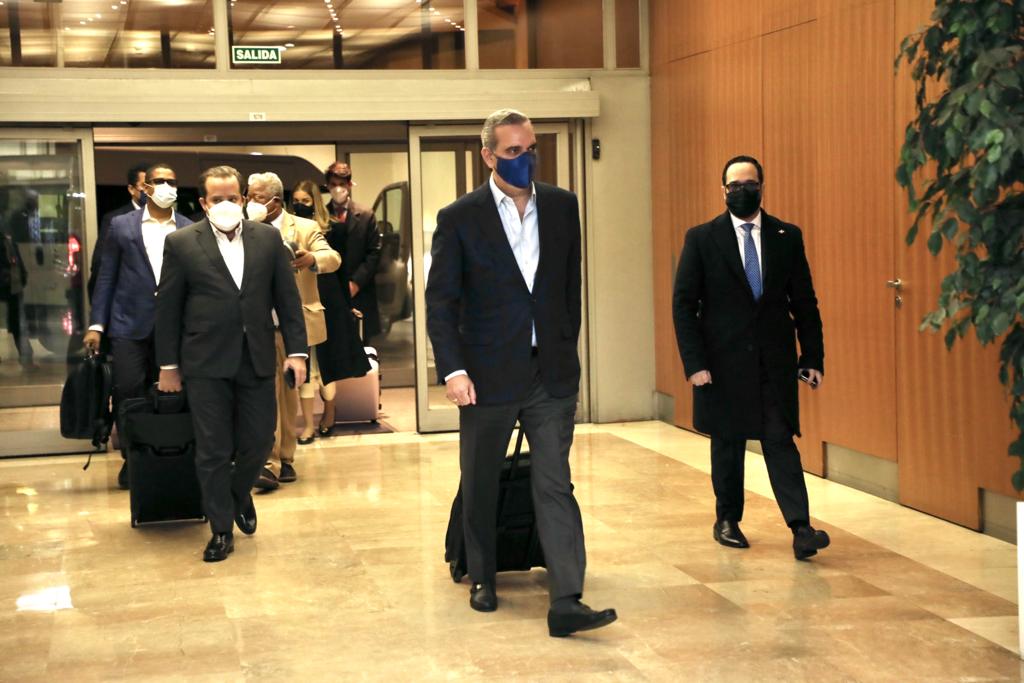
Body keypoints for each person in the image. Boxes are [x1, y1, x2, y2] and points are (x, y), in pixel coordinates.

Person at [425, 109, 617, 638]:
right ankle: (483, 576)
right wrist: (454, 370)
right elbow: (441, 303)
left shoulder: (562, 206)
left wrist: (565, 351)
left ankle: (567, 598)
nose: (525, 159)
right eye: (513, 152)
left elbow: (569, 288)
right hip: (485, 375)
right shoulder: (459, 217)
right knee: (481, 478)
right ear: (488, 156)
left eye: (530, 149)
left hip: (549, 375)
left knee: (554, 482)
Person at [672, 155, 830, 561]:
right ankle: (727, 520)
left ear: (762, 186)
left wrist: (812, 356)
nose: (742, 190)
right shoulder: (702, 238)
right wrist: (695, 364)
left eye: (750, 184)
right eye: (734, 185)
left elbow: (804, 301)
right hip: (721, 365)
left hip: (773, 362)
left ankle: (801, 528)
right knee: (728, 444)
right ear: (723, 190)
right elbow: (684, 305)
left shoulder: (786, 236)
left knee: (780, 440)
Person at [155, 165, 307, 563]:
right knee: (213, 449)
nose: (226, 204)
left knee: (259, 441)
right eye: (217, 198)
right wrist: (168, 365)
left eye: (232, 197)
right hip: (204, 362)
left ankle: (237, 495)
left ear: (244, 199)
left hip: (256, 357)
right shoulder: (181, 243)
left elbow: (287, 300)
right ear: (203, 202)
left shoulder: (267, 239)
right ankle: (221, 529)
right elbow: (168, 309)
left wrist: (297, 352)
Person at [83, 163, 192, 489]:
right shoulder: (121, 226)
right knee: (129, 392)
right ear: (145, 187)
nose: (167, 186)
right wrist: (97, 325)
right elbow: (106, 276)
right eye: (159, 181)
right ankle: (132, 459)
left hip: (173, 326)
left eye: (172, 181)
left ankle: (168, 454)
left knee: (171, 394)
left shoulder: (188, 227)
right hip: (127, 324)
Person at [245, 172, 340, 491]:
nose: (250, 202)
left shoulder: (304, 227)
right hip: (253, 325)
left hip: (291, 326)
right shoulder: (242, 228)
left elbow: (332, 258)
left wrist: (311, 259)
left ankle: (283, 458)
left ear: (274, 200)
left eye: (257, 197)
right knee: (264, 394)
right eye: (248, 196)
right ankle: (269, 461)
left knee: (287, 395)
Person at [291, 180, 369, 440]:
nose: (300, 205)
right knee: (305, 363)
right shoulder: (290, 229)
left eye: (305, 201)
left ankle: (329, 411)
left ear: (315, 201)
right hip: (302, 298)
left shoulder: (334, 229)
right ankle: (307, 425)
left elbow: (341, 268)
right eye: (296, 201)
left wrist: (348, 305)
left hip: (330, 300)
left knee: (328, 362)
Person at [324, 162, 382, 344]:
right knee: (334, 344)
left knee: (362, 344)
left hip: (360, 290)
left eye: (342, 184)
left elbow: (374, 253)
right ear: (327, 186)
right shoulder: (321, 215)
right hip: (331, 290)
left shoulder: (366, 215)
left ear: (349, 185)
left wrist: (356, 282)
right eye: (333, 184)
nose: (338, 189)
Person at [89, 164, 148, 300]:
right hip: (126, 298)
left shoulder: (171, 219)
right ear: (131, 189)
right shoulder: (115, 219)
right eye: (145, 186)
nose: (150, 190)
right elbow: (100, 263)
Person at [0, 227, 29, 366]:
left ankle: (25, 356)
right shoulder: (8, 242)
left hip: (11, 285)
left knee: (16, 322)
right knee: (16, 322)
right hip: (11, 286)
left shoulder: (8, 242)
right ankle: (25, 356)